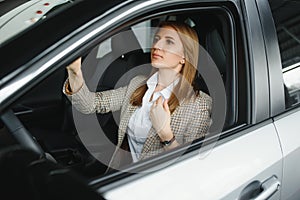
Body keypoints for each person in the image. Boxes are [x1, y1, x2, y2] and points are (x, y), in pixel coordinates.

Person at [63, 21, 212, 171]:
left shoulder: (198, 104)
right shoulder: (138, 84)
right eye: (156, 39)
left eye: (169, 42)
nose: (157, 45)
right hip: (121, 173)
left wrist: (166, 135)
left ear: (184, 57)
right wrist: (75, 72)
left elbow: (191, 169)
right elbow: (90, 104)